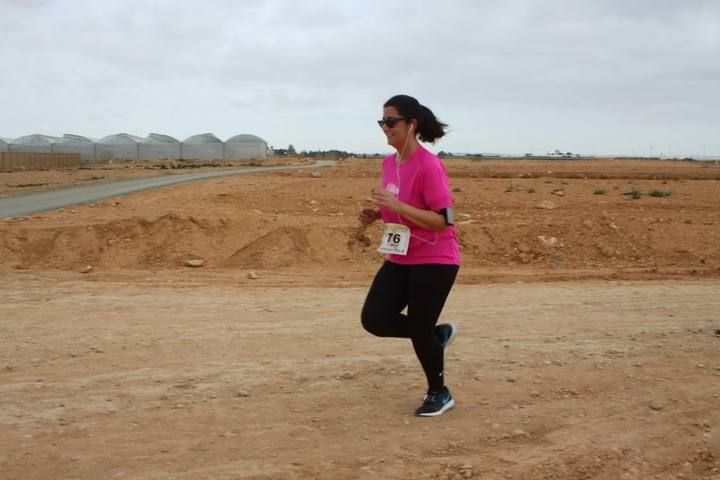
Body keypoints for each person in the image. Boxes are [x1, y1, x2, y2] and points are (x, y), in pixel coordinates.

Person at [359, 94, 460, 417]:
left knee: (418, 327)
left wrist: (398, 207)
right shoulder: (389, 163)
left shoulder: (429, 166)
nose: (384, 128)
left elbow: (444, 220)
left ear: (411, 124)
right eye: (382, 122)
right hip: (400, 256)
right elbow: (396, 206)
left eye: (391, 122)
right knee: (374, 319)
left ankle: (439, 392)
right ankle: (434, 334)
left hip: (435, 258)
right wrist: (375, 215)